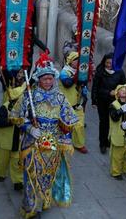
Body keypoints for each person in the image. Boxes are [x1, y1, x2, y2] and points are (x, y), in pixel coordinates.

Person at [9, 52, 78, 218]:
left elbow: (70, 119)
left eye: (50, 79)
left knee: (48, 174)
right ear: (39, 79)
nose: (48, 82)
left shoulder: (61, 98)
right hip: (33, 142)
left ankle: (43, 202)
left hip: (52, 143)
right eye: (44, 79)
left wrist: (64, 127)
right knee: (32, 174)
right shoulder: (29, 96)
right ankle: (31, 207)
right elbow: (15, 115)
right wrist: (29, 128)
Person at [0, 70, 25, 191]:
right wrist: (11, 121)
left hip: (18, 141)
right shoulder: (5, 107)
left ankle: (18, 182)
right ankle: (1, 174)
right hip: (5, 142)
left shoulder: (24, 109)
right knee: (3, 161)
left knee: (17, 163)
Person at [91, 53, 126, 154]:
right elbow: (95, 88)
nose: (109, 65)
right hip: (102, 100)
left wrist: (119, 92)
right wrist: (94, 100)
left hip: (115, 102)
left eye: (111, 63)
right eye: (107, 63)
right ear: (104, 62)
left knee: (115, 122)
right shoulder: (100, 71)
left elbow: (124, 85)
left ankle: (111, 141)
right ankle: (103, 143)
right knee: (104, 122)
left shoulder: (119, 72)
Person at [58, 52, 88, 154]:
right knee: (64, 126)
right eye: (76, 60)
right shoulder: (64, 72)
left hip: (77, 104)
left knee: (79, 125)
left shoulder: (81, 72)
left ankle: (79, 144)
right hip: (66, 104)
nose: (78, 62)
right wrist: (78, 76)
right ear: (71, 61)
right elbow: (67, 84)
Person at [108, 84, 126, 180]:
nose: (125, 90)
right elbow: (114, 117)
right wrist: (120, 111)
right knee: (118, 155)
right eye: (122, 90)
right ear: (118, 93)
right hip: (118, 134)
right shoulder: (113, 105)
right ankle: (116, 172)